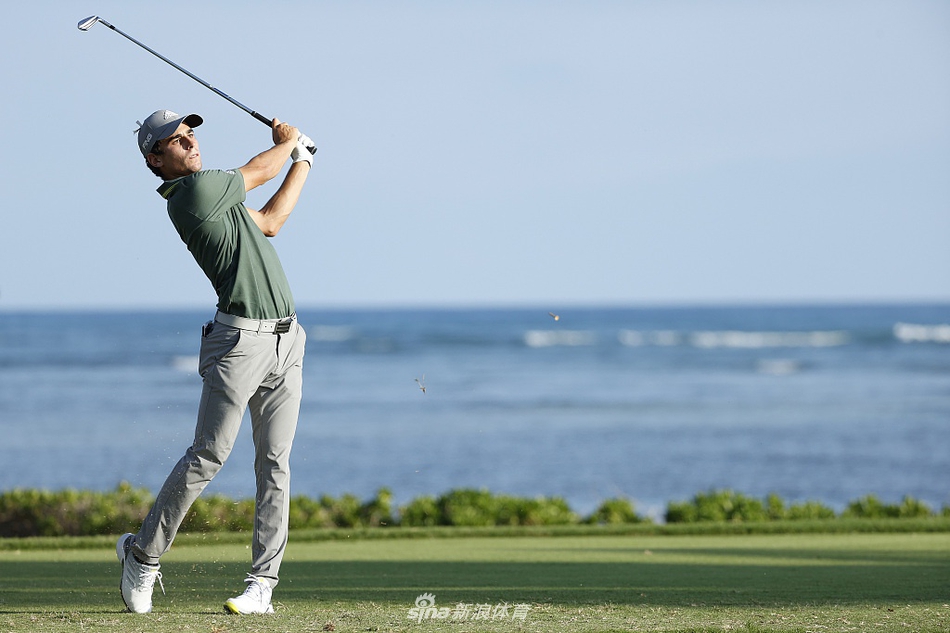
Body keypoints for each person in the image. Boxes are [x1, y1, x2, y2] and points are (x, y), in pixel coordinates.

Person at [117, 109, 313, 615]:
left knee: (275, 464)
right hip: (239, 343)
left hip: (287, 341)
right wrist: (287, 141)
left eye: (190, 134)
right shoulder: (194, 194)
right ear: (155, 159)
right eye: (176, 140)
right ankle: (143, 556)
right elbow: (260, 169)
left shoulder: (220, 198)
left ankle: (262, 585)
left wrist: (302, 162)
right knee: (209, 454)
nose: (190, 142)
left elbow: (271, 222)